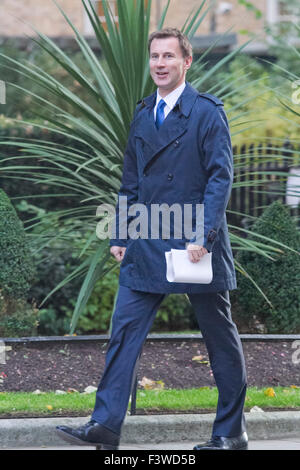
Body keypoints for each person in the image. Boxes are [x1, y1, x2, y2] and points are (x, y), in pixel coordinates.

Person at [56, 27, 248, 451]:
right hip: (146, 239)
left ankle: (231, 433)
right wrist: (121, 232)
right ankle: (105, 425)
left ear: (186, 62)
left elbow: (221, 178)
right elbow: (130, 181)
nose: (160, 64)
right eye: (154, 57)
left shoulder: (207, 112)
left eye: (168, 56)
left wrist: (205, 234)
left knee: (219, 337)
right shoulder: (144, 113)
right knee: (123, 331)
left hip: (195, 241)